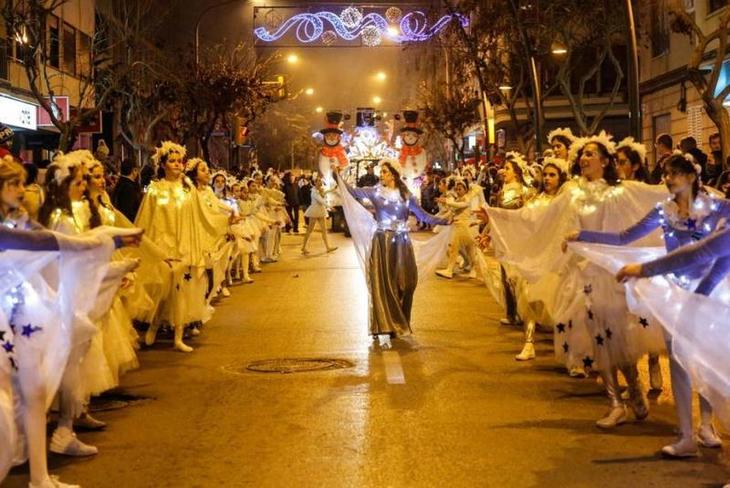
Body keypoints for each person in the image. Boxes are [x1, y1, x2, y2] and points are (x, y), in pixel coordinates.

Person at [335, 160, 450, 348]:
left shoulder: (406, 196)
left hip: (402, 243)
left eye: (385, 172)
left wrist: (444, 221)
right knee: (383, 284)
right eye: (381, 172)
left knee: (406, 283)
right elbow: (352, 192)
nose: (381, 175)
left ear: (394, 174)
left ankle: (399, 320)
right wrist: (337, 175)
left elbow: (423, 216)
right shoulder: (375, 192)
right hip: (383, 242)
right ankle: (385, 325)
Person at [301, 177, 337, 255]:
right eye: (319, 181)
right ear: (315, 183)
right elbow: (320, 200)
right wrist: (329, 207)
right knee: (310, 230)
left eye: (320, 181)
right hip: (314, 211)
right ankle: (303, 247)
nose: (320, 182)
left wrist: (333, 189)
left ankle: (328, 247)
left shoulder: (320, 190)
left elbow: (325, 192)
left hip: (321, 211)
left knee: (324, 230)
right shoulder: (313, 191)